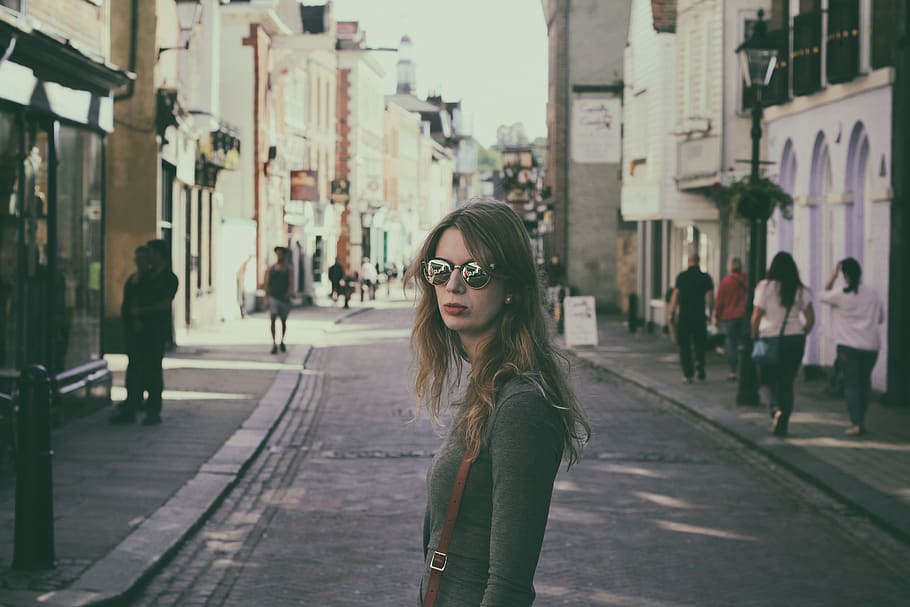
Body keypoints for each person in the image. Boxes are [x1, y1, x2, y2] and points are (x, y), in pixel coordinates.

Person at [407, 198, 590, 606]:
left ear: (512, 288)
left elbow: (509, 585)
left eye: (475, 273)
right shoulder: (486, 388)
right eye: (440, 270)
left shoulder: (520, 406)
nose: (454, 286)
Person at [110, 239, 178, 426]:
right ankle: (131, 406)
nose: (148, 256)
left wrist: (141, 312)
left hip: (155, 332)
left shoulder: (169, 278)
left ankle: (153, 411)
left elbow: (164, 304)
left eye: (151, 252)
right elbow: (132, 292)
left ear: (159, 255)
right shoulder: (144, 276)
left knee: (153, 371)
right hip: (136, 332)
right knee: (134, 370)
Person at [751, 251, 815, 436]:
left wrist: (754, 334)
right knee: (786, 382)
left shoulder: (765, 287)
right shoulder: (800, 289)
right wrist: (802, 332)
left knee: (766, 380)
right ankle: (784, 420)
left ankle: (775, 409)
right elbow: (810, 318)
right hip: (794, 340)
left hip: (770, 338)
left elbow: (757, 314)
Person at [820, 258, 884, 436]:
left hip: (848, 347)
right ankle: (860, 419)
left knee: (851, 385)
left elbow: (822, 295)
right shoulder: (873, 294)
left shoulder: (840, 294)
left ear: (845, 275)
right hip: (871, 346)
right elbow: (880, 318)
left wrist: (832, 277)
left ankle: (856, 423)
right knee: (864, 383)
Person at [668, 251, 714, 383]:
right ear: (698, 261)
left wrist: (671, 312)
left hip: (685, 315)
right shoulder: (705, 277)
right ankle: (699, 363)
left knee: (685, 345)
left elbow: (675, 295)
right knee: (700, 343)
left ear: (689, 261)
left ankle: (688, 374)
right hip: (699, 315)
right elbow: (711, 297)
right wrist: (710, 313)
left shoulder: (682, 277)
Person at [715, 257, 749, 381]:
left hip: (729, 316)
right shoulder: (747, 279)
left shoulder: (725, 282)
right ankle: (745, 370)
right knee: (744, 343)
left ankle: (733, 371)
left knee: (732, 344)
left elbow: (720, 301)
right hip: (744, 315)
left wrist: (717, 317)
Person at [265, 246, 292, 354]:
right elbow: (267, 283)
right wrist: (266, 297)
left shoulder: (288, 269)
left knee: (283, 322)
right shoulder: (271, 268)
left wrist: (288, 293)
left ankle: (282, 341)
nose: (279, 256)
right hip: (273, 297)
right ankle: (274, 343)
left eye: (281, 254)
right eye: (277, 254)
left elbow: (291, 282)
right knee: (272, 320)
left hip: (284, 299)